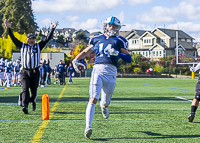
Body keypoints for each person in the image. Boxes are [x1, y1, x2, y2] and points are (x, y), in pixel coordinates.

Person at [72, 16, 131, 139]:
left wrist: (118, 53)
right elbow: (86, 51)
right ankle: (87, 127)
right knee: (93, 98)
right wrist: (75, 59)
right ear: (106, 26)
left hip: (111, 73)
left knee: (105, 102)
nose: (113, 28)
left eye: (115, 26)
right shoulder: (97, 38)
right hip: (97, 70)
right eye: (111, 26)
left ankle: (104, 107)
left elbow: (128, 58)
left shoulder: (120, 41)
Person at [4, 19, 58, 114]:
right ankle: (25, 106)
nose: (31, 40)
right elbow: (13, 39)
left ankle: (32, 100)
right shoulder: (22, 46)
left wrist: (52, 29)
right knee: (25, 89)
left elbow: (46, 39)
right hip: (24, 71)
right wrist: (8, 29)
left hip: (35, 71)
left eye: (33, 38)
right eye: (30, 39)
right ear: (27, 39)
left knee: (33, 90)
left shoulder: (38, 46)